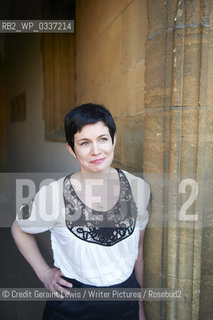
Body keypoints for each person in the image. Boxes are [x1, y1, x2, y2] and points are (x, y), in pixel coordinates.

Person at [11, 103, 150, 320]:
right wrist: (44, 273)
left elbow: (138, 251)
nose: (96, 151)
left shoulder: (138, 188)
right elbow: (19, 229)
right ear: (71, 148)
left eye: (103, 139)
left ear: (114, 139)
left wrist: (139, 305)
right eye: (84, 143)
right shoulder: (53, 194)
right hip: (72, 307)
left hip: (125, 303)